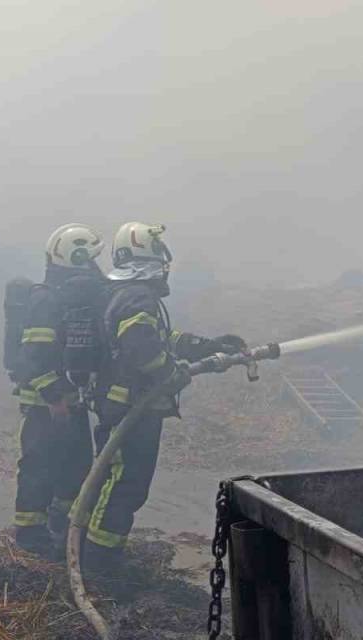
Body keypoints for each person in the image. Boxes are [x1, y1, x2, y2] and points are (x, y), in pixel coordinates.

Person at [82, 222, 247, 570]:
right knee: (124, 486)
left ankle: (95, 551)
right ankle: (100, 562)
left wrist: (206, 346)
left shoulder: (124, 293)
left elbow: (158, 336)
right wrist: (171, 374)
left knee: (114, 480)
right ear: (149, 254)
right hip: (131, 407)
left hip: (124, 404)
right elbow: (141, 347)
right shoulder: (138, 295)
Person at [11, 223, 106, 556]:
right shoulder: (46, 300)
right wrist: (53, 397)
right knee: (40, 466)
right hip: (44, 404)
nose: (95, 267)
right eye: (89, 258)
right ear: (75, 257)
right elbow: (32, 358)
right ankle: (29, 535)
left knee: (77, 464)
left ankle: (61, 525)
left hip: (71, 401)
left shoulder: (71, 300)